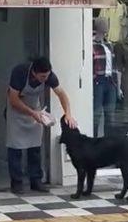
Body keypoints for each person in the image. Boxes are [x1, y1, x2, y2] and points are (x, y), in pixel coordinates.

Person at [6, 56, 77, 194]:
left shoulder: (50, 76)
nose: (46, 79)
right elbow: (13, 99)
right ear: (34, 72)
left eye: (47, 75)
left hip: (35, 109)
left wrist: (68, 113)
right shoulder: (19, 72)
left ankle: (36, 180)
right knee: (15, 148)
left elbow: (61, 94)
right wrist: (32, 113)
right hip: (17, 112)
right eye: (43, 76)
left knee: (35, 146)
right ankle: (17, 182)